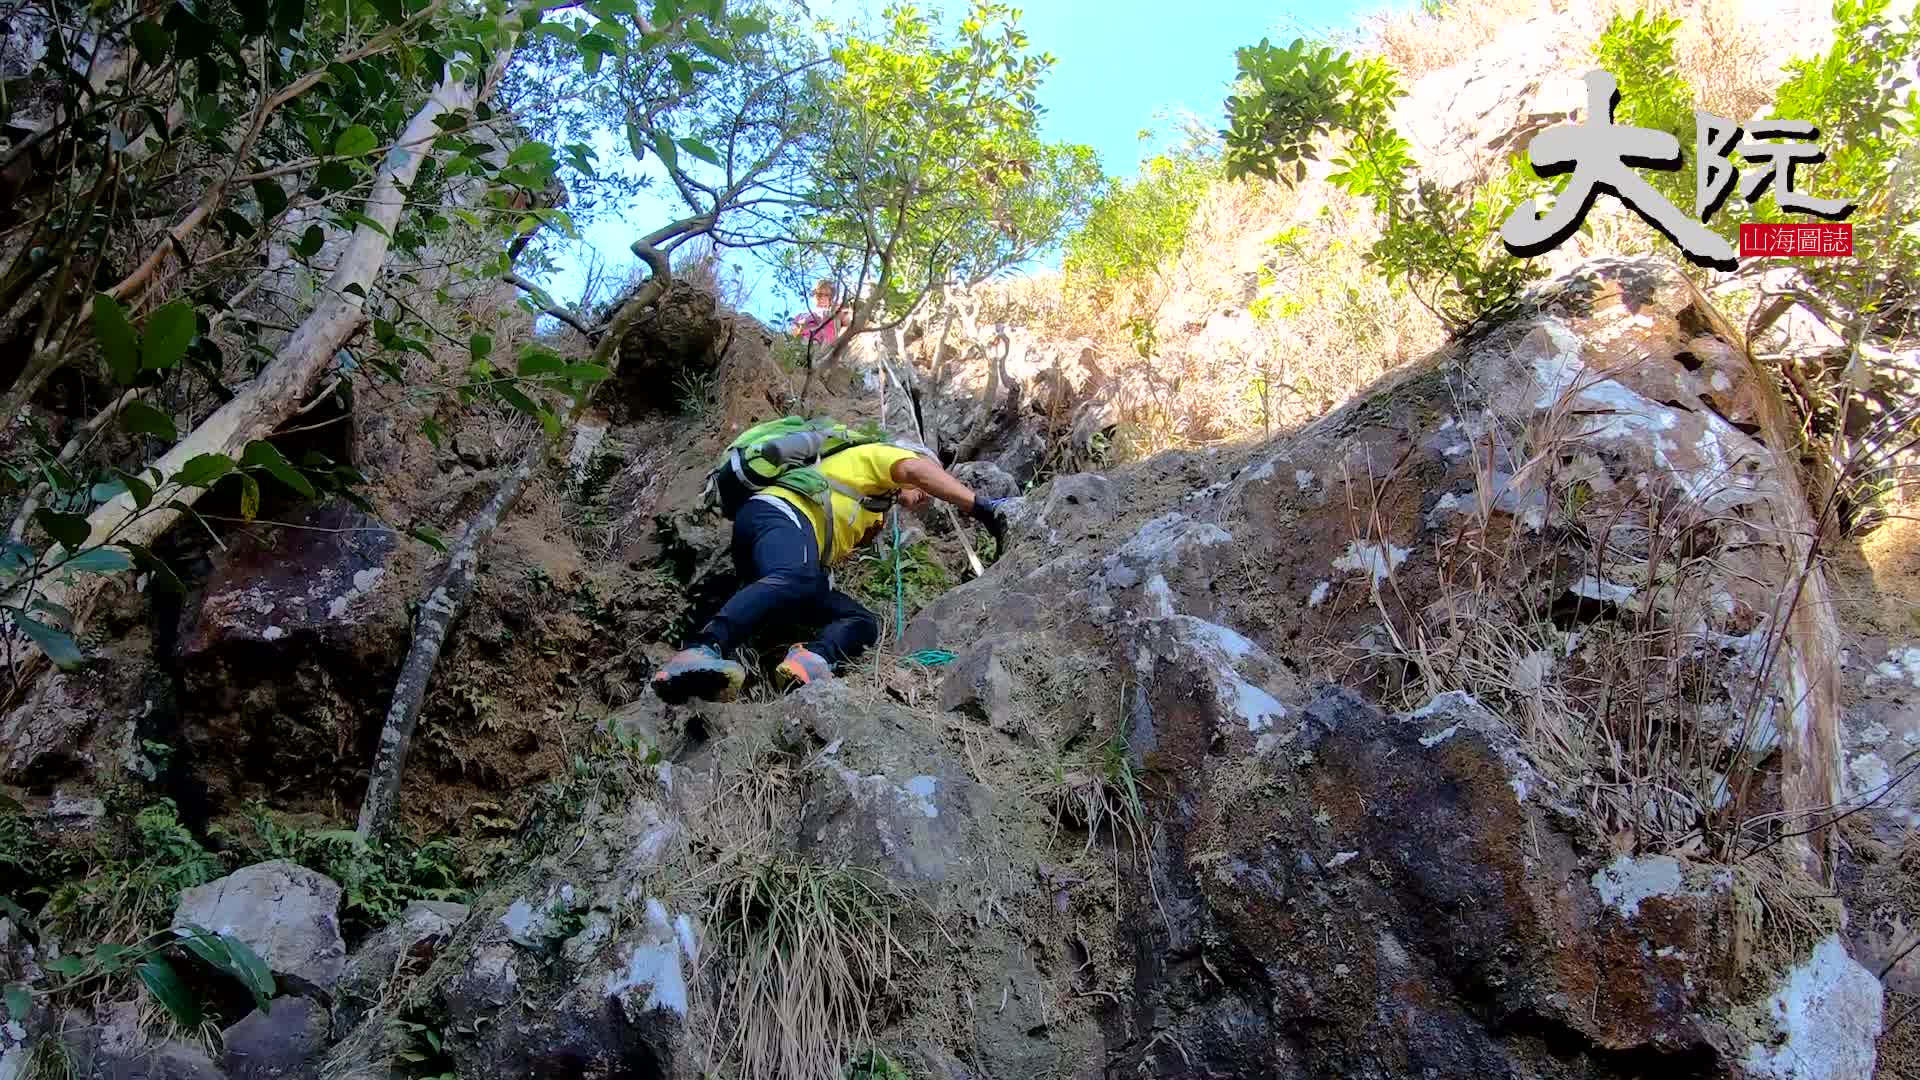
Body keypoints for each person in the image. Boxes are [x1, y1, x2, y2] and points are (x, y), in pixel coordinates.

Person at [651, 441, 1010, 703]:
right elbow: (915, 471)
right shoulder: (880, 455)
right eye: (928, 487)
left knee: (862, 621)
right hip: (778, 512)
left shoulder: (875, 505)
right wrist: (983, 508)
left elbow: (843, 540)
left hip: (783, 550)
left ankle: (810, 661)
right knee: (799, 577)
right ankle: (701, 647)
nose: (927, 497)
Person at [791, 279, 851, 347]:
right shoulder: (800, 316)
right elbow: (794, 333)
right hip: (807, 346)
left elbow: (847, 323)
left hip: (827, 347)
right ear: (815, 296)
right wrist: (801, 325)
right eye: (819, 294)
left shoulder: (834, 312)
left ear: (831, 298)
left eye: (826, 295)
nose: (822, 298)